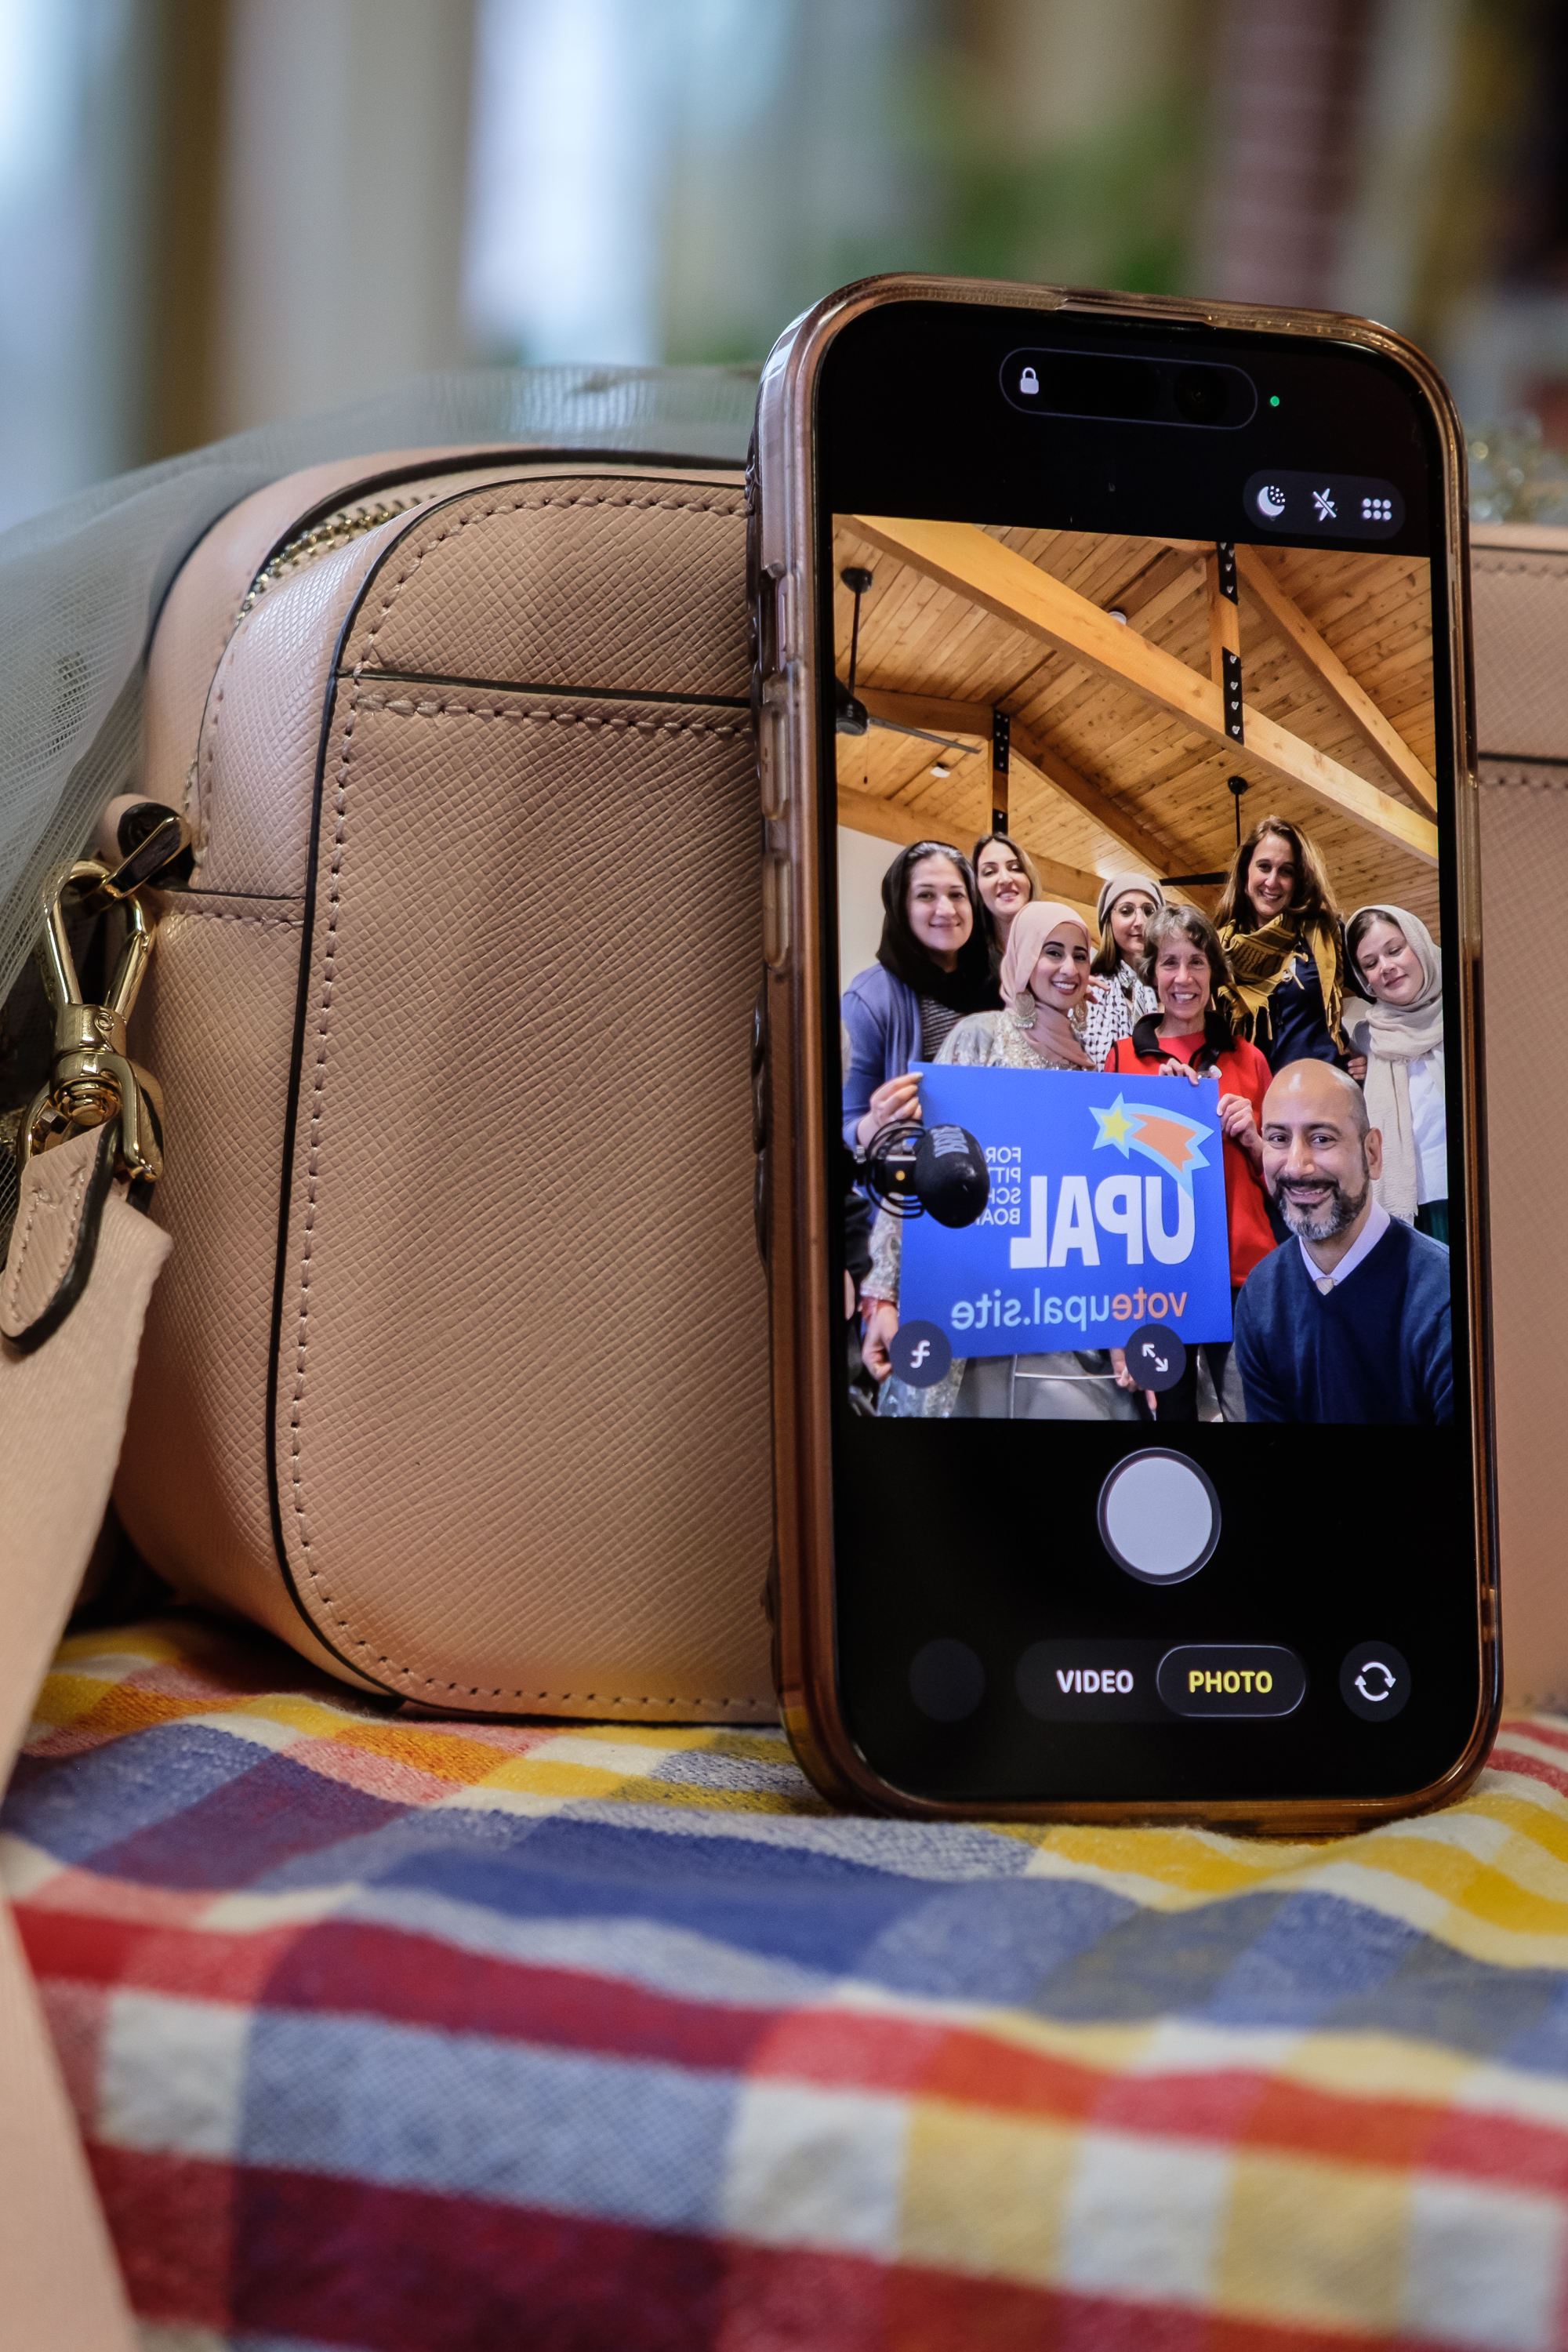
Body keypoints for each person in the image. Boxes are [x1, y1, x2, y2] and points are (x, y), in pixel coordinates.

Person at [858, 902, 1138, 1421]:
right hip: (973, 1295)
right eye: (1052, 952)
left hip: (1054, 1309)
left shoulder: (1092, 1072)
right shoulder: (980, 1037)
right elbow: (926, 1159)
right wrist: (882, 1291)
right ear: (1024, 958)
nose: (1069, 969)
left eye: (1080, 955)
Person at [1103, 903, 1273, 1419]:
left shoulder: (1251, 1058)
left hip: (1241, 1277)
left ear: (1214, 973)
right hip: (1159, 1282)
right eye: (1170, 962)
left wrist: (1255, 1140)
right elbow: (1109, 1182)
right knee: (1172, 1424)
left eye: (1197, 962)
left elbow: (1285, 1183)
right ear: (1151, 972)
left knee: (1252, 1415)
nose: (1183, 978)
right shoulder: (1122, 1058)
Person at [1232, 1059, 1451, 1424]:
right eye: (1278, 1139)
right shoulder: (1260, 1297)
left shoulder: (1443, 1297)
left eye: (1322, 1139)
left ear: (1372, 1154)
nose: (1296, 1166)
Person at [840, 840, 997, 1151]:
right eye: (926, 895)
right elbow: (845, 1122)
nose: (946, 910)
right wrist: (876, 1124)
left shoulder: (1005, 982)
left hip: (1006, 1169)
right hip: (913, 1183)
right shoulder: (869, 999)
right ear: (900, 905)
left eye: (957, 895)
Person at [1344, 902, 1448, 1245]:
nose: (1386, 967)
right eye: (1370, 964)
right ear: (1365, 980)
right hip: (1405, 1214)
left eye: (1395, 950)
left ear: (1417, 944)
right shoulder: (1368, 1038)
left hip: (1481, 1197)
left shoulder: (1472, 1009)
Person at [1216, 814, 1348, 1072]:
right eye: (1264, 866)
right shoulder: (1216, 950)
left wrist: (1370, 1050)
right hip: (1251, 1101)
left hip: (1323, 1094)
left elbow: (1383, 993)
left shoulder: (1327, 935)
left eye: (1286, 871)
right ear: (1245, 874)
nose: (1272, 881)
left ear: (1298, 882)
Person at [1082, 871, 1163, 1066]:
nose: (1141, 922)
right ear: (1108, 921)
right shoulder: (1089, 989)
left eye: (1149, 911)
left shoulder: (1177, 988)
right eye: (1126, 911)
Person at [971, 831, 1042, 970]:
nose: (1005, 879)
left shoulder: (1056, 952)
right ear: (976, 888)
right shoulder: (967, 962)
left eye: (1015, 868)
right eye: (989, 872)